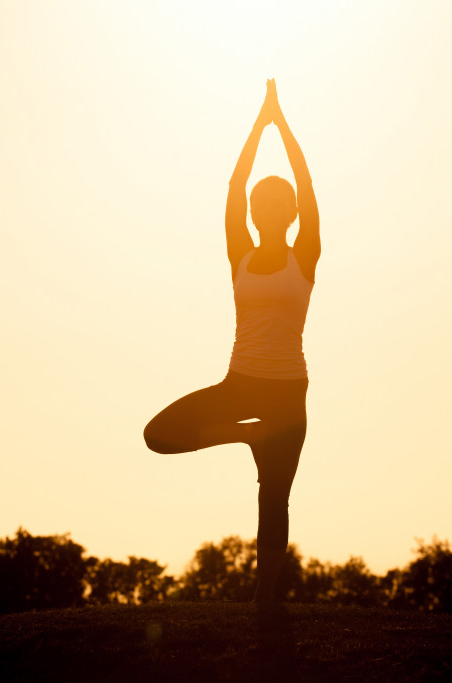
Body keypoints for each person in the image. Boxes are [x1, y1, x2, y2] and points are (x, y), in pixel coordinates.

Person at [143, 79, 320, 605]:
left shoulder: (304, 254)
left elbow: (306, 183)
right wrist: (257, 124)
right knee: (158, 434)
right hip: (240, 386)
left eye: (278, 204)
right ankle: (247, 437)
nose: (268, 209)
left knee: (275, 500)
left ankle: (265, 602)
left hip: (288, 393)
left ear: (289, 215)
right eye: (260, 204)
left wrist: (281, 125)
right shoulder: (238, 250)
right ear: (254, 213)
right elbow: (234, 185)